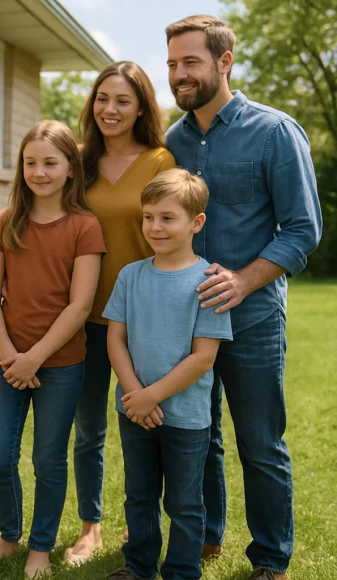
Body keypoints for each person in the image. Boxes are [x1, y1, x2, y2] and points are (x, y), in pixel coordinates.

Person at [164, 15, 322, 580]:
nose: (179, 75)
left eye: (191, 63)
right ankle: (205, 536)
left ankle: (271, 559)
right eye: (173, 65)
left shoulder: (275, 131)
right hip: (186, 320)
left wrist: (244, 280)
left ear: (224, 62)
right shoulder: (172, 141)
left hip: (252, 316)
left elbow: (303, 228)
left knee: (260, 442)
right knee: (196, 437)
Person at [0, 119, 105, 579]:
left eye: (51, 162)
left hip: (62, 364)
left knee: (49, 459)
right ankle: (9, 535)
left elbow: (80, 304)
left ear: (71, 168)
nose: (39, 172)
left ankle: (40, 546)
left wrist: (36, 358)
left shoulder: (84, 227)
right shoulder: (5, 222)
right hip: (5, 361)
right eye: (31, 163)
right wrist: (11, 354)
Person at [66, 61, 176, 566]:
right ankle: (90, 528)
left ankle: (141, 525)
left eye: (123, 101)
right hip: (84, 314)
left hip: (143, 317)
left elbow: (171, 231)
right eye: (102, 98)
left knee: (142, 423)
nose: (110, 109)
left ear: (141, 108)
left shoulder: (159, 160)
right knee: (88, 429)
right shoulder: (78, 160)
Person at [104, 169, 233, 580]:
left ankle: (181, 570)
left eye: (167, 217)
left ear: (196, 222)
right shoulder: (131, 275)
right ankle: (138, 566)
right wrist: (134, 394)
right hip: (134, 410)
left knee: (183, 502)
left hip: (186, 417)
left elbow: (203, 358)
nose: (155, 227)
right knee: (139, 496)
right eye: (148, 217)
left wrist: (151, 396)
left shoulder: (209, 281)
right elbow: (116, 340)